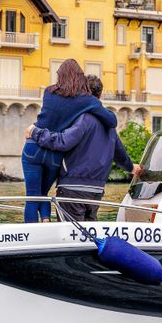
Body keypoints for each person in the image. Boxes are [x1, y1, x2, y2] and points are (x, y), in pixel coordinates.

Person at [27, 75, 141, 221]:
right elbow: (120, 155)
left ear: (81, 93)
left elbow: (63, 141)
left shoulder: (83, 119)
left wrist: (35, 132)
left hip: (72, 188)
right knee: (88, 232)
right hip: (97, 190)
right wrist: (132, 168)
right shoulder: (109, 125)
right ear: (100, 95)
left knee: (69, 232)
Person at [21, 60, 117, 223]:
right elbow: (112, 121)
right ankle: (45, 221)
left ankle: (32, 232)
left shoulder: (49, 92)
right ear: (80, 77)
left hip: (34, 146)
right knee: (43, 194)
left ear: (60, 75)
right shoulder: (87, 100)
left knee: (32, 196)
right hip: (55, 153)